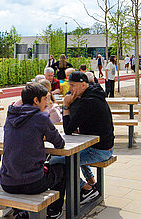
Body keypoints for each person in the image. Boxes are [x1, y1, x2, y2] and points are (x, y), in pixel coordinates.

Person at [0, 83, 66, 219]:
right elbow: (59, 143)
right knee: (62, 169)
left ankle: (21, 213)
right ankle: (54, 211)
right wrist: (45, 135)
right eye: (45, 99)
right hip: (33, 183)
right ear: (36, 100)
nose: (47, 103)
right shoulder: (40, 117)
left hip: (7, 182)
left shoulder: (11, 115)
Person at [49, 71, 114, 206]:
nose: (70, 89)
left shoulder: (87, 102)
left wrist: (66, 106)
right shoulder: (94, 94)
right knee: (74, 155)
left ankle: (87, 189)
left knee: (56, 161)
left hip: (99, 150)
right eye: (69, 85)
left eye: (73, 85)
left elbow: (68, 129)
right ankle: (91, 182)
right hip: (103, 146)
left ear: (84, 85)